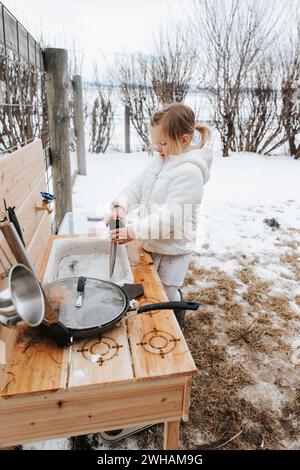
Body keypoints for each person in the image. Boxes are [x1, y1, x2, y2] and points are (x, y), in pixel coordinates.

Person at [105, 102, 213, 328]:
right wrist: (120, 206)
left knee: (167, 289)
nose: (157, 147)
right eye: (155, 141)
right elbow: (136, 186)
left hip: (174, 246)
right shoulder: (161, 160)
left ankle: (175, 321)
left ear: (184, 140)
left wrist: (134, 230)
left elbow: (171, 216)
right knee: (151, 285)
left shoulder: (190, 172)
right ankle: (157, 318)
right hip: (152, 240)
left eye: (162, 142)